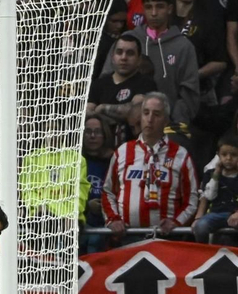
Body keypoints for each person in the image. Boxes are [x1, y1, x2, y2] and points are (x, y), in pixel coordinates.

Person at [101, 90, 200, 238]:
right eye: (146, 113)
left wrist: (176, 222)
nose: (150, 119)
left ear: (166, 120)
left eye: (157, 114)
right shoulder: (123, 151)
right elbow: (108, 191)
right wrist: (113, 219)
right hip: (128, 236)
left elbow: (192, 199)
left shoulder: (181, 154)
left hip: (167, 239)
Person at [192, 133, 238, 243]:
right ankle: (204, 252)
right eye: (224, 154)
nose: (228, 158)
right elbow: (209, 195)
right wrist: (216, 174)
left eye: (233, 155)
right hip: (216, 214)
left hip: (235, 214)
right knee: (201, 226)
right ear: (218, 155)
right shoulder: (210, 173)